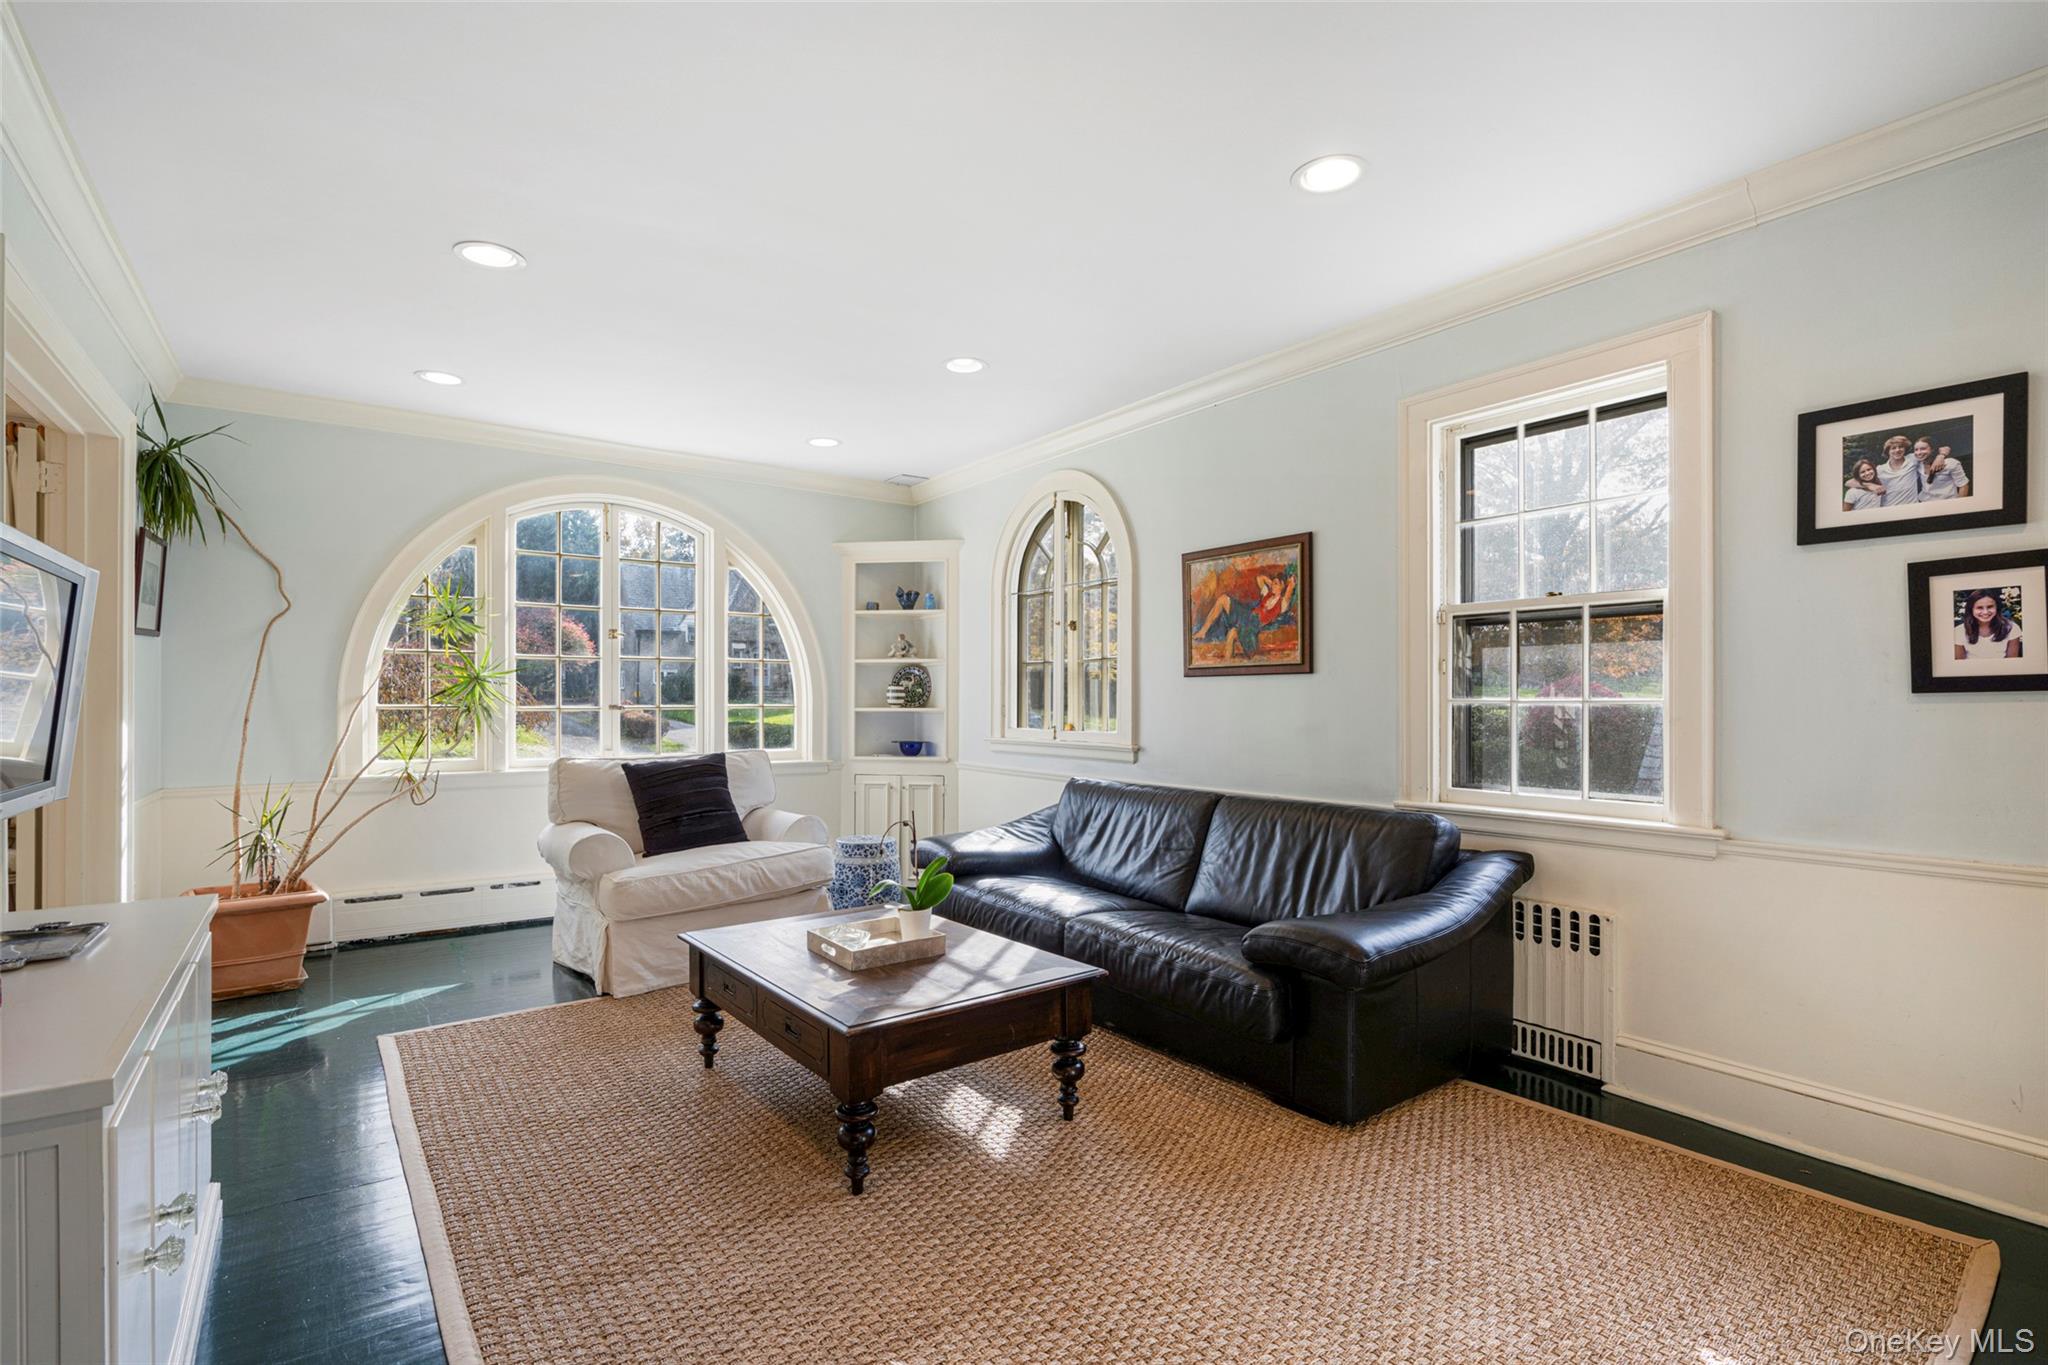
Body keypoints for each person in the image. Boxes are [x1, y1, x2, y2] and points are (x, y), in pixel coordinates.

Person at [1194, 563, 1297, 661]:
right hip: (1247, 615)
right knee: (1223, 598)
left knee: (1232, 633)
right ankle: (1203, 631)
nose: (1273, 586)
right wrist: (1272, 583)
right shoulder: (1267, 594)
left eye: (1276, 584)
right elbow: (1260, 578)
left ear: (1282, 585)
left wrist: (1288, 584)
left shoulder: (1282, 603)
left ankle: (1227, 662)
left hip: (1253, 625)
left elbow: (1289, 590)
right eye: (1273, 583)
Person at [1954, 588, 2022, 661]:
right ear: (1971, 609)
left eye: (1990, 607)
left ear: (1997, 607)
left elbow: (2012, 662)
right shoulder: (1959, 631)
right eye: (1979, 608)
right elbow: (1960, 664)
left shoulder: (2011, 628)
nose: (1985, 612)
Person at [1874, 434, 1921, 506]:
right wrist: (1871, 486)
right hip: (1889, 507)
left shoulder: (1912, 459)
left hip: (1912, 506)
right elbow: (1855, 481)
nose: (1897, 450)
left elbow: (1929, 454)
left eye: (1901, 447)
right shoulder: (1880, 469)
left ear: (1905, 449)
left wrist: (1939, 457)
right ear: (1888, 451)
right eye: (1893, 448)